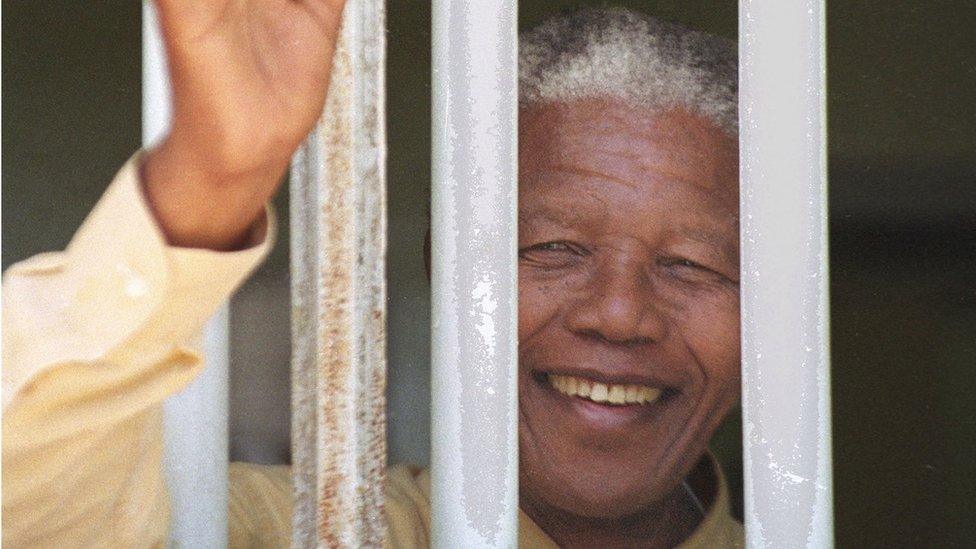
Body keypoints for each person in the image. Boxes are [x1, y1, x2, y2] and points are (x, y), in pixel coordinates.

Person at [2, 3, 743, 547]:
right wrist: (208, 185)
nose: (618, 313)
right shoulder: (295, 531)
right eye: (553, 248)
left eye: (693, 265)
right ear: (442, 272)